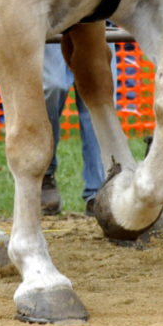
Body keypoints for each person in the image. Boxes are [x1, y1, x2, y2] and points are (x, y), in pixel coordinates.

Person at [41, 43, 106, 216]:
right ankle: (44, 175)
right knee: (53, 86)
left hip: (98, 19)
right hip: (51, 22)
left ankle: (99, 190)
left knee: (98, 93)